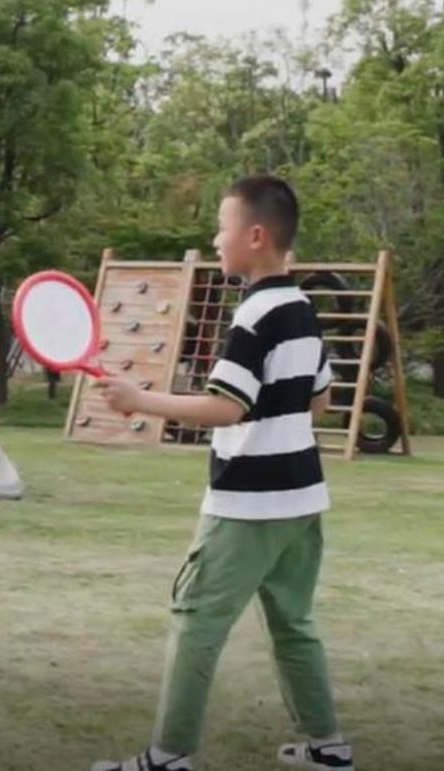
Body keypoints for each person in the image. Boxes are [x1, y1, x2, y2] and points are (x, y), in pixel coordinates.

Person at [90, 174, 352, 770]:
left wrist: (141, 400)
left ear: (255, 235)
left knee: (196, 621)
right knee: (294, 623)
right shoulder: (303, 310)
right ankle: (327, 747)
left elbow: (226, 407)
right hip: (301, 500)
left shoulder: (255, 314)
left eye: (221, 225)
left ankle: (168, 757)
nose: (214, 238)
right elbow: (321, 402)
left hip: (247, 505)